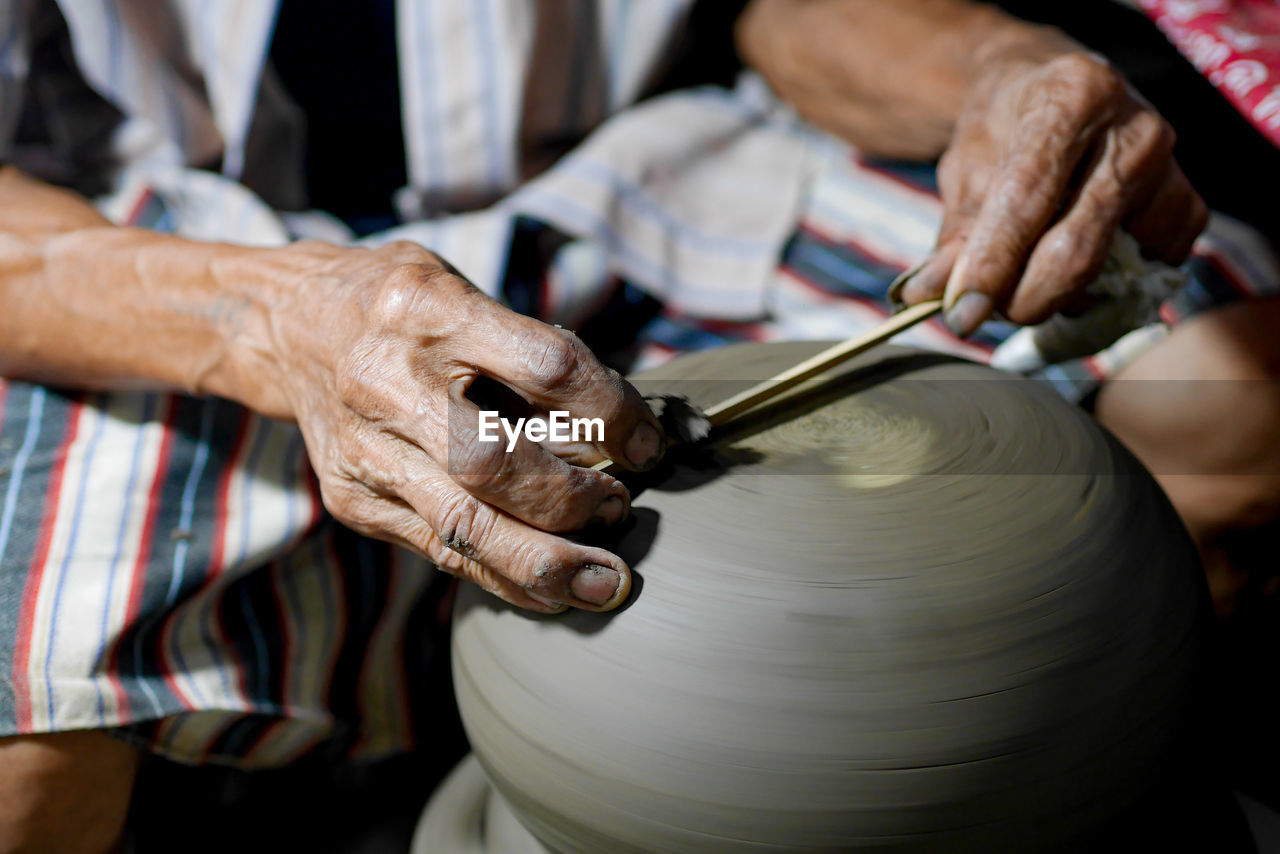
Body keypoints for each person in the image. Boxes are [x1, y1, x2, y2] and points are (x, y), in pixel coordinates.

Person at [1, 0, 1277, 851]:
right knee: (27, 734)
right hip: (165, 265)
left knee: (1224, 397)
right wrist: (273, 319)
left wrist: (995, 62)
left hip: (648, 179)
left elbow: (787, 11)